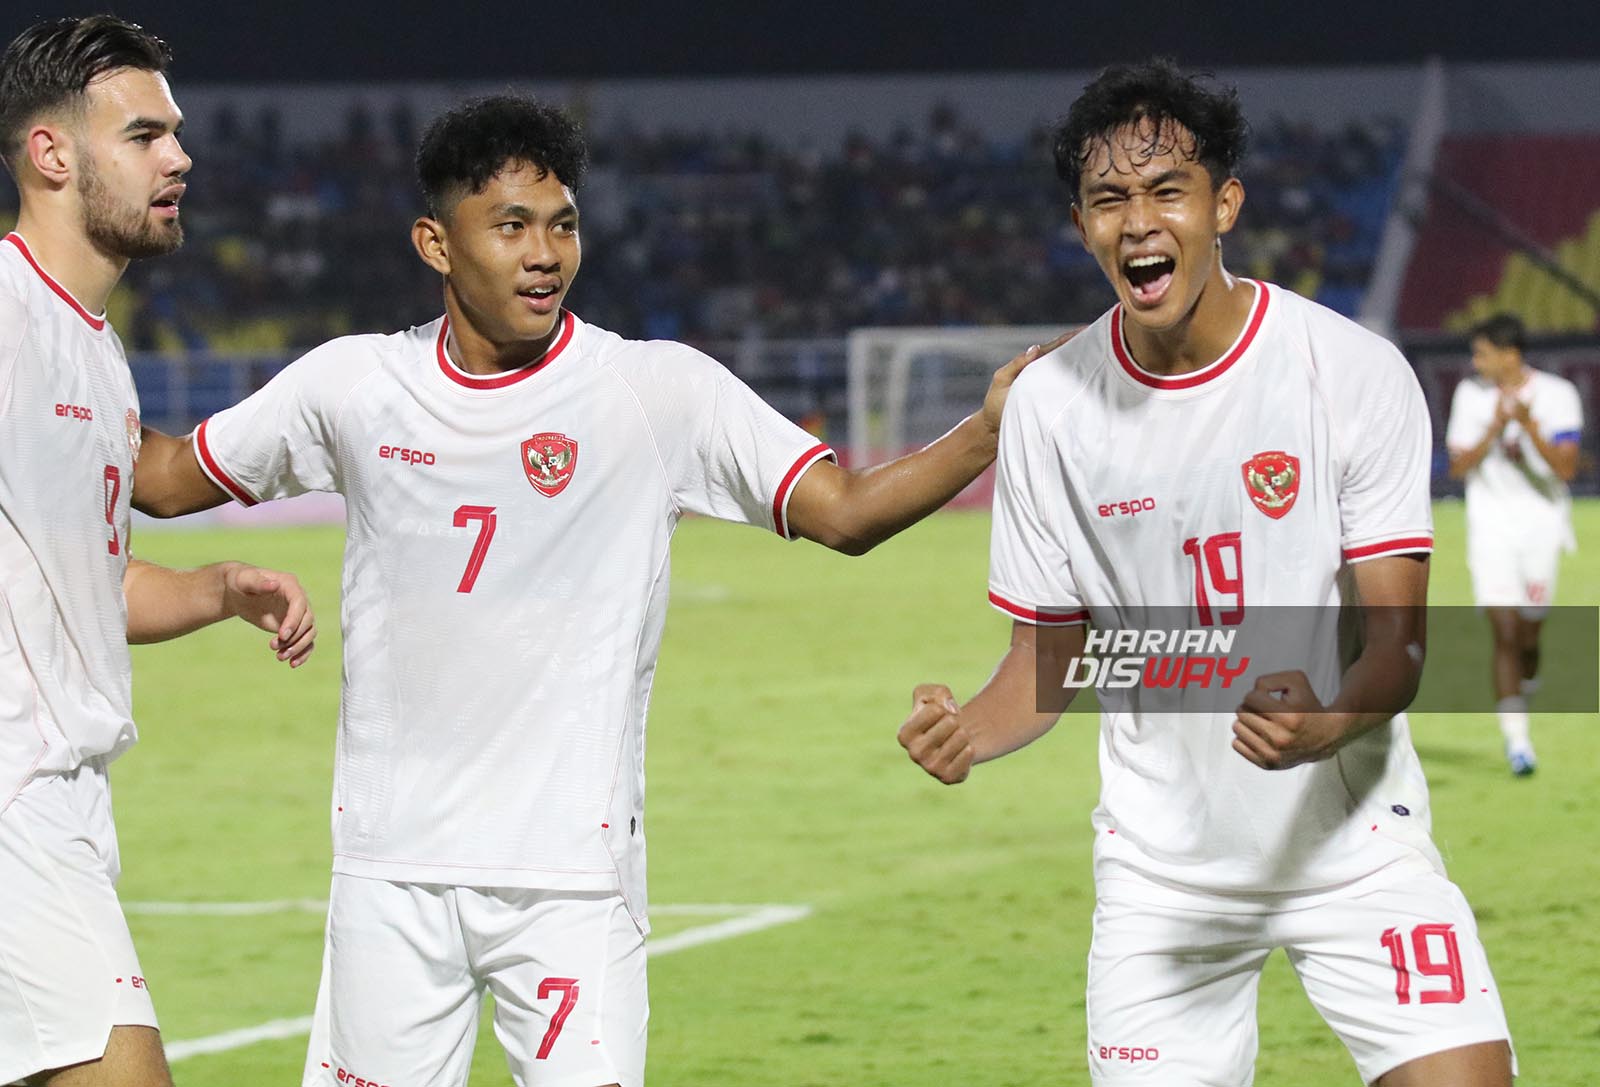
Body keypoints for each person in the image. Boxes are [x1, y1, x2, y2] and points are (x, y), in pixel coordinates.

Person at [130, 94, 1060, 1087]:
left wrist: (984, 430)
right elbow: (166, 478)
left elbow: (844, 511)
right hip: (390, 870)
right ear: (435, 243)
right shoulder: (352, 386)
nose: (545, 253)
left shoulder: (654, 390)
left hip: (572, 881)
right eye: (511, 226)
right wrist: (57, 340)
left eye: (563, 224)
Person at [897, 60, 1515, 1086]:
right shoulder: (1048, 404)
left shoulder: (1348, 371)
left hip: (1353, 847)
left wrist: (1329, 718)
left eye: (1165, 190)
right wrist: (971, 726)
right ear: (1081, 223)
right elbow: (1043, 665)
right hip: (1162, 882)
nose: (1138, 221)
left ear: (1222, 202)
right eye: (1109, 199)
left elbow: (1400, 644)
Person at [0, 16, 317, 1087]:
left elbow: (77, 578)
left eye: (175, 133)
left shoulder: (96, 350)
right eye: (144, 135)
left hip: (68, 797)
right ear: (52, 155)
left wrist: (219, 588)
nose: (179, 156)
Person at [1445, 312, 1582, 775]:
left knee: (1528, 635)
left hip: (1541, 526)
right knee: (1503, 631)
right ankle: (1517, 741)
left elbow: (1565, 470)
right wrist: (1492, 429)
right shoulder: (1470, 395)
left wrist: (1526, 424)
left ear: (1510, 355)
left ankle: (1528, 679)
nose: (1475, 361)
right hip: (1491, 527)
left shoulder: (1558, 395)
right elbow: (1459, 468)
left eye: (1482, 353)